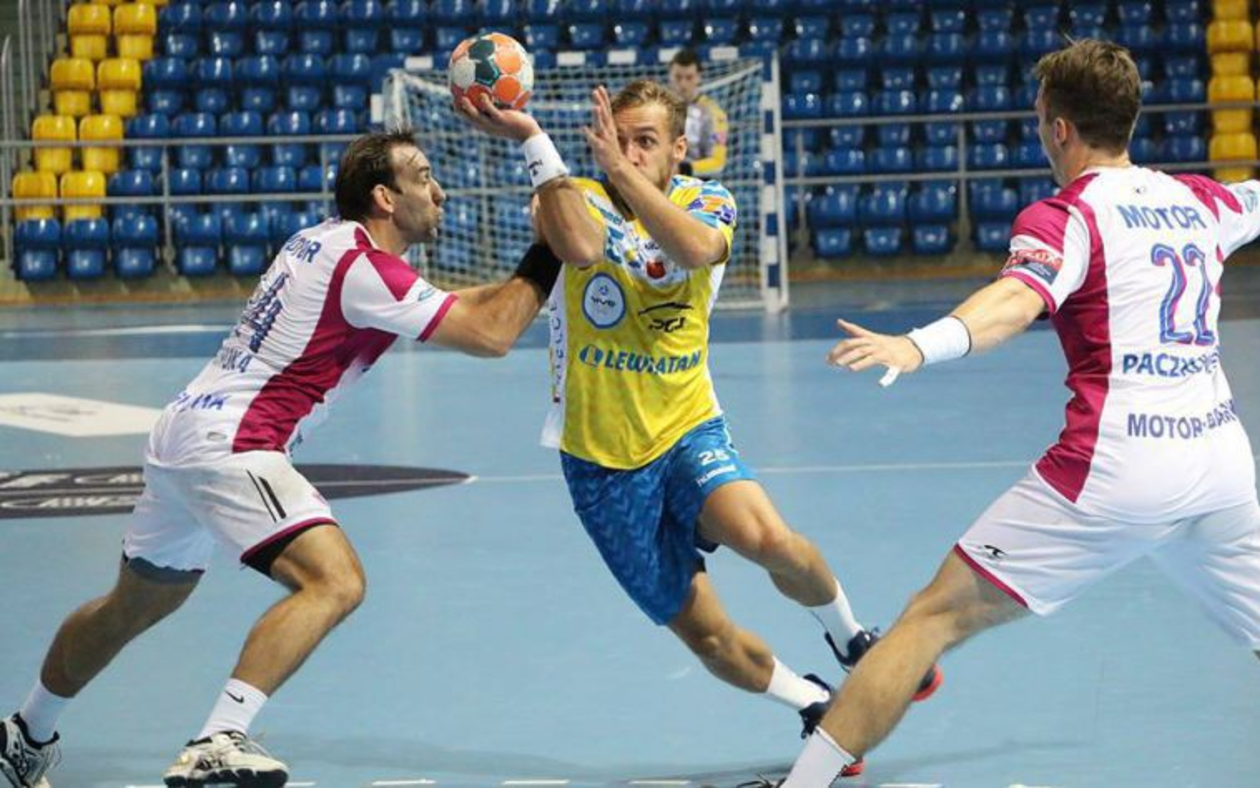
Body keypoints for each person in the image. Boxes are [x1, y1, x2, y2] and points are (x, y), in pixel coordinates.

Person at [774, 39, 1260, 786]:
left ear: (1060, 128)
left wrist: (916, 345)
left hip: (1116, 469)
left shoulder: (1068, 215)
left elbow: (1015, 301)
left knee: (929, 618)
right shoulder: (1203, 200)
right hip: (1218, 465)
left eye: (1041, 117)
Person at [0, 129, 562, 788]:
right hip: (234, 445)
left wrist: (536, 276)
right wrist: (551, 246)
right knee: (335, 581)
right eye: (422, 177)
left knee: (134, 605)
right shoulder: (365, 270)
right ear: (385, 197)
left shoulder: (325, 243)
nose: (438, 192)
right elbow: (492, 333)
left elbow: (459, 307)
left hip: (181, 434)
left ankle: (23, 734)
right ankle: (218, 738)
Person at [455, 80, 940, 777]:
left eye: (646, 141)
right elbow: (581, 247)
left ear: (679, 148)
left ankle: (852, 638)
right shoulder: (568, 197)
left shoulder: (710, 201)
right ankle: (812, 701)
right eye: (620, 139)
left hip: (687, 427)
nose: (628, 152)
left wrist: (623, 173)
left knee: (770, 540)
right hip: (600, 465)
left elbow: (694, 250)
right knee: (709, 637)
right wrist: (535, 140)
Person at [667, 48, 729, 178]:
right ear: (670, 76)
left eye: (689, 77)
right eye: (678, 77)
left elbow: (718, 163)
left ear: (699, 77)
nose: (683, 84)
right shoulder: (657, 108)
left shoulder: (715, 114)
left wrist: (683, 169)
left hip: (696, 184)